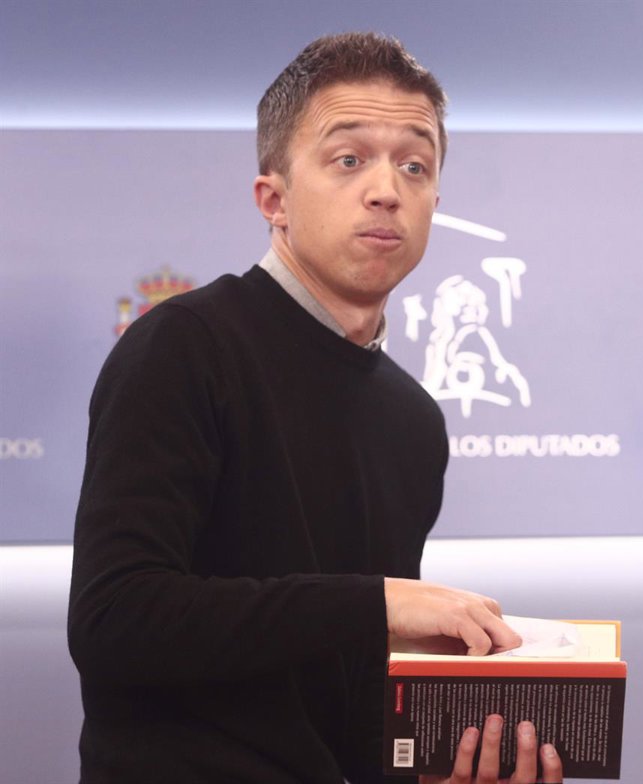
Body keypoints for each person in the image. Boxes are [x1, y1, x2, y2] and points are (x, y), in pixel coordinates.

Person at [67, 32, 561, 784]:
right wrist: (378, 605)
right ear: (274, 200)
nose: (387, 189)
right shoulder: (184, 346)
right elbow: (116, 621)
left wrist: (433, 768)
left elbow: (349, 686)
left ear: (434, 201)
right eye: (349, 159)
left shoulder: (413, 419)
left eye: (415, 165)